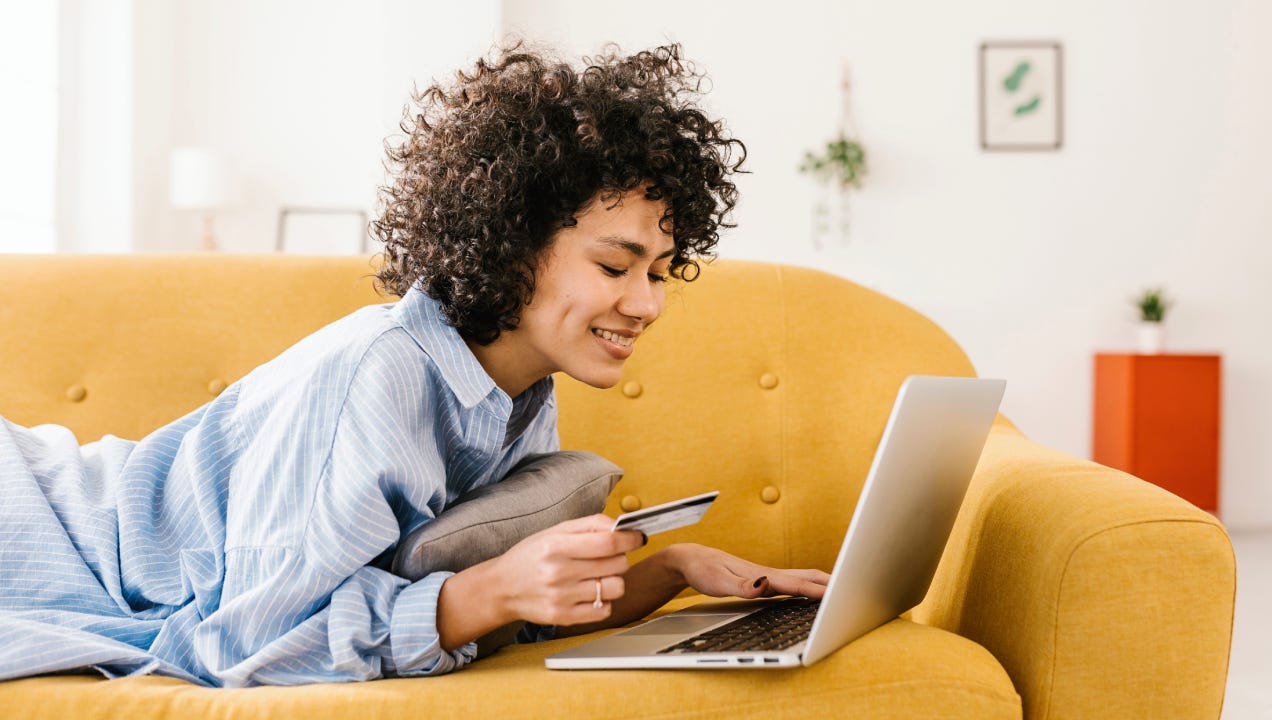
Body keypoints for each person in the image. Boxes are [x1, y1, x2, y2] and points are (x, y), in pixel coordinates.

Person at [0, 42, 828, 688]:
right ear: (511, 246)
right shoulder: (380, 375)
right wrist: (488, 591)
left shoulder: (517, 393)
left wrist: (672, 573)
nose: (647, 304)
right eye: (616, 267)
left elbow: (495, 613)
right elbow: (240, 650)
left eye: (658, 270)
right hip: (36, 527)